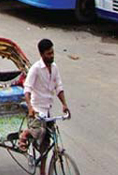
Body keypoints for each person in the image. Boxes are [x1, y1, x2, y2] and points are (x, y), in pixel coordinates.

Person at [18, 39, 70, 175]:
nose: (51, 56)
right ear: (41, 54)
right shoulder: (35, 69)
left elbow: (59, 87)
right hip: (36, 110)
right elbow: (27, 89)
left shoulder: (54, 68)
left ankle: (43, 172)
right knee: (39, 131)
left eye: (52, 53)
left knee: (46, 145)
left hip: (47, 111)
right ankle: (24, 135)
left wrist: (64, 104)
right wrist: (30, 108)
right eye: (48, 54)